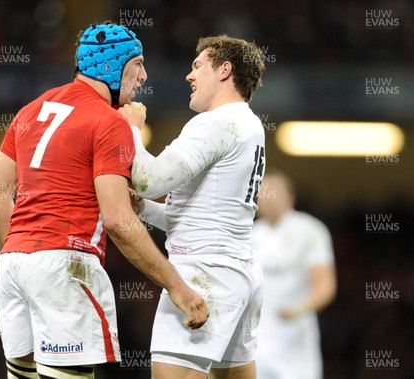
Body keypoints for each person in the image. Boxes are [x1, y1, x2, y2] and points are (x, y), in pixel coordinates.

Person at [0, 22, 208, 379]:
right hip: (65, 265)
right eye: (138, 64)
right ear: (112, 66)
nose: (144, 76)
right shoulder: (109, 121)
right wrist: (177, 287)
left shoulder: (30, 110)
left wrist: (23, 253)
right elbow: (118, 219)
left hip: (12, 265)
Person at [122, 35, 266, 379]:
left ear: (224, 70)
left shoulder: (216, 122)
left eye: (197, 66)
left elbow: (149, 180)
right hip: (237, 271)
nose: (190, 75)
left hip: (205, 272)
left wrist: (130, 131)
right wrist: (142, 209)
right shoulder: (250, 124)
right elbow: (197, 218)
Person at [251, 168, 337, 379]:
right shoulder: (250, 234)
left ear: (289, 198)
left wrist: (300, 309)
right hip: (256, 339)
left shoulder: (310, 231)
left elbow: (325, 285)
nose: (266, 199)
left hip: (295, 339)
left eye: (272, 193)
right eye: (261, 193)